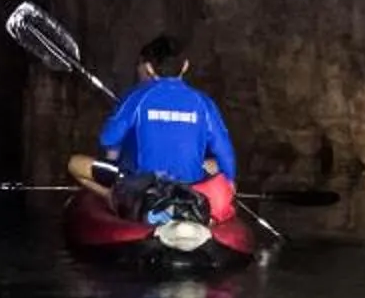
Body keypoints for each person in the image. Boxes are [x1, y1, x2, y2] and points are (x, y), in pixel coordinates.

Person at [70, 34, 239, 222]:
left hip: (146, 194)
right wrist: (229, 184)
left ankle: (112, 198)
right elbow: (226, 154)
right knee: (215, 166)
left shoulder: (137, 97)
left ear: (149, 68)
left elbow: (108, 139)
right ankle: (201, 216)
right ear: (185, 65)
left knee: (75, 163)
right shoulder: (204, 102)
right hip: (191, 192)